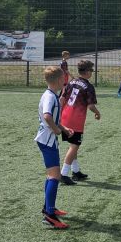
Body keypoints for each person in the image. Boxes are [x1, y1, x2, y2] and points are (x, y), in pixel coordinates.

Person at [35, 66, 74, 229]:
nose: (65, 80)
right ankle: (49, 216)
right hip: (47, 140)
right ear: (59, 80)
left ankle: (48, 207)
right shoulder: (50, 97)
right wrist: (56, 130)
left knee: (52, 175)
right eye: (64, 78)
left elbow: (53, 118)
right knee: (55, 176)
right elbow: (47, 116)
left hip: (47, 139)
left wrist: (63, 128)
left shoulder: (50, 94)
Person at [59, 60, 101, 185]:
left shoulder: (71, 82)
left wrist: (60, 114)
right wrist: (97, 113)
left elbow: (62, 98)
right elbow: (91, 106)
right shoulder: (88, 86)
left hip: (65, 117)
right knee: (74, 146)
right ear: (87, 72)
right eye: (91, 70)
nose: (92, 72)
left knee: (73, 144)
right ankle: (63, 174)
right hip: (75, 120)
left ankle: (75, 171)